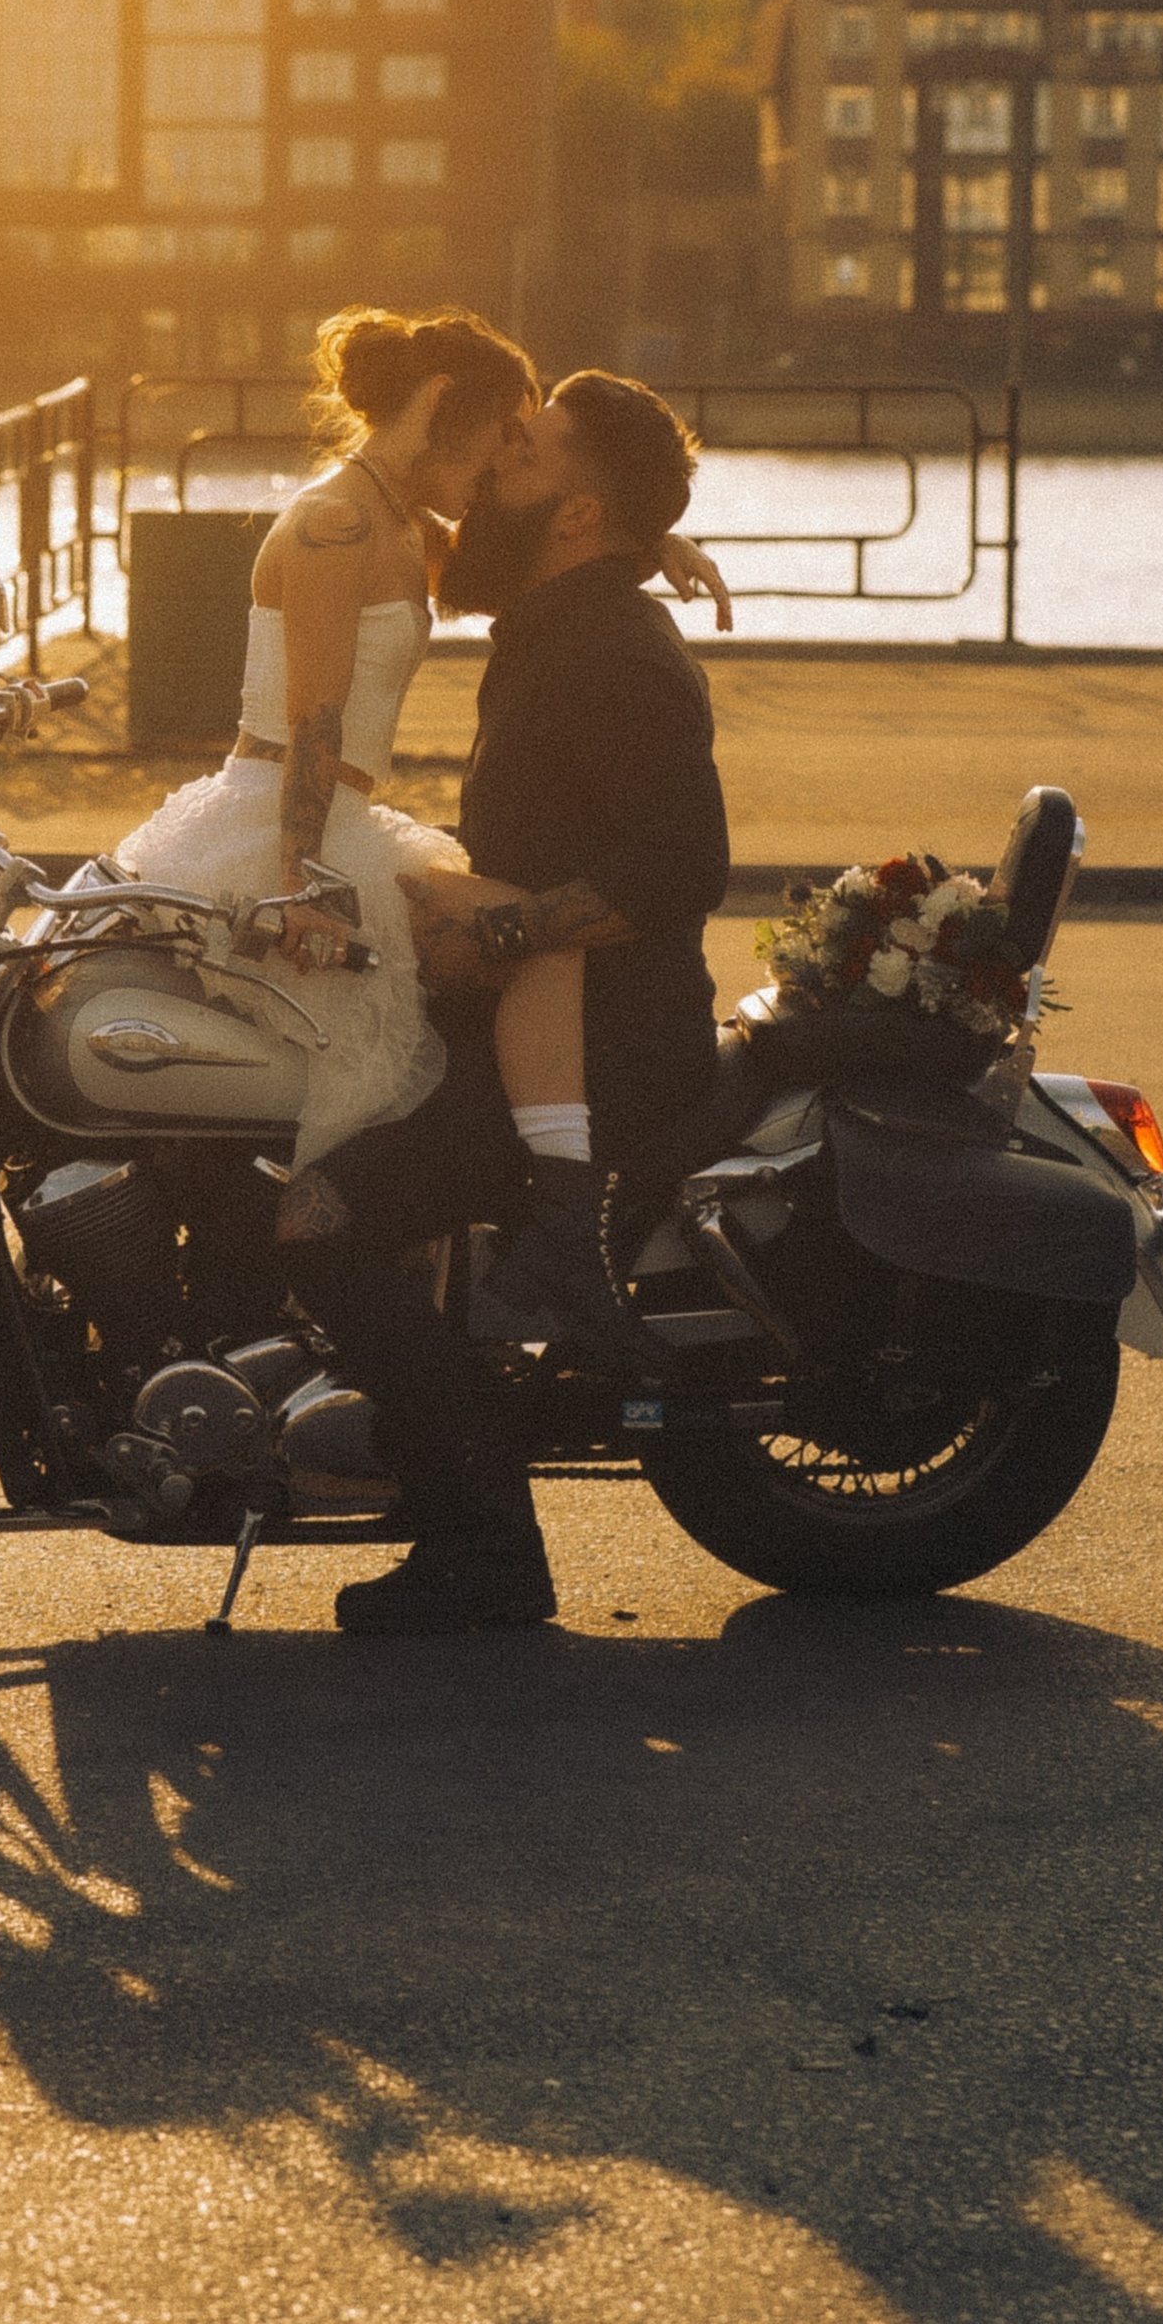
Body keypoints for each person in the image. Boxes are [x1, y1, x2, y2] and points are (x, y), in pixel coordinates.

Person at [278, 369, 732, 1640]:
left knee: (321, 1218)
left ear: (577, 519)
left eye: (519, 461)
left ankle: (485, 1547)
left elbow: (678, 870)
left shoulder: (606, 650)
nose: (488, 477)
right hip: (533, 1021)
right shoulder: (560, 614)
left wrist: (504, 926)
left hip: (607, 1052)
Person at [112, 309, 726, 1185]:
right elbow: (313, 721)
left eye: (526, 443)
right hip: (293, 822)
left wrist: (643, 536)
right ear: (441, 405)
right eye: (504, 433)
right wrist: (304, 882)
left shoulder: (398, 524)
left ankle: (542, 1203)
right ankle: (556, 1202)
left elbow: (513, 556)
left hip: (337, 821)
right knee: (519, 966)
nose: (504, 459)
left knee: (490, 981)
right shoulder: (339, 524)